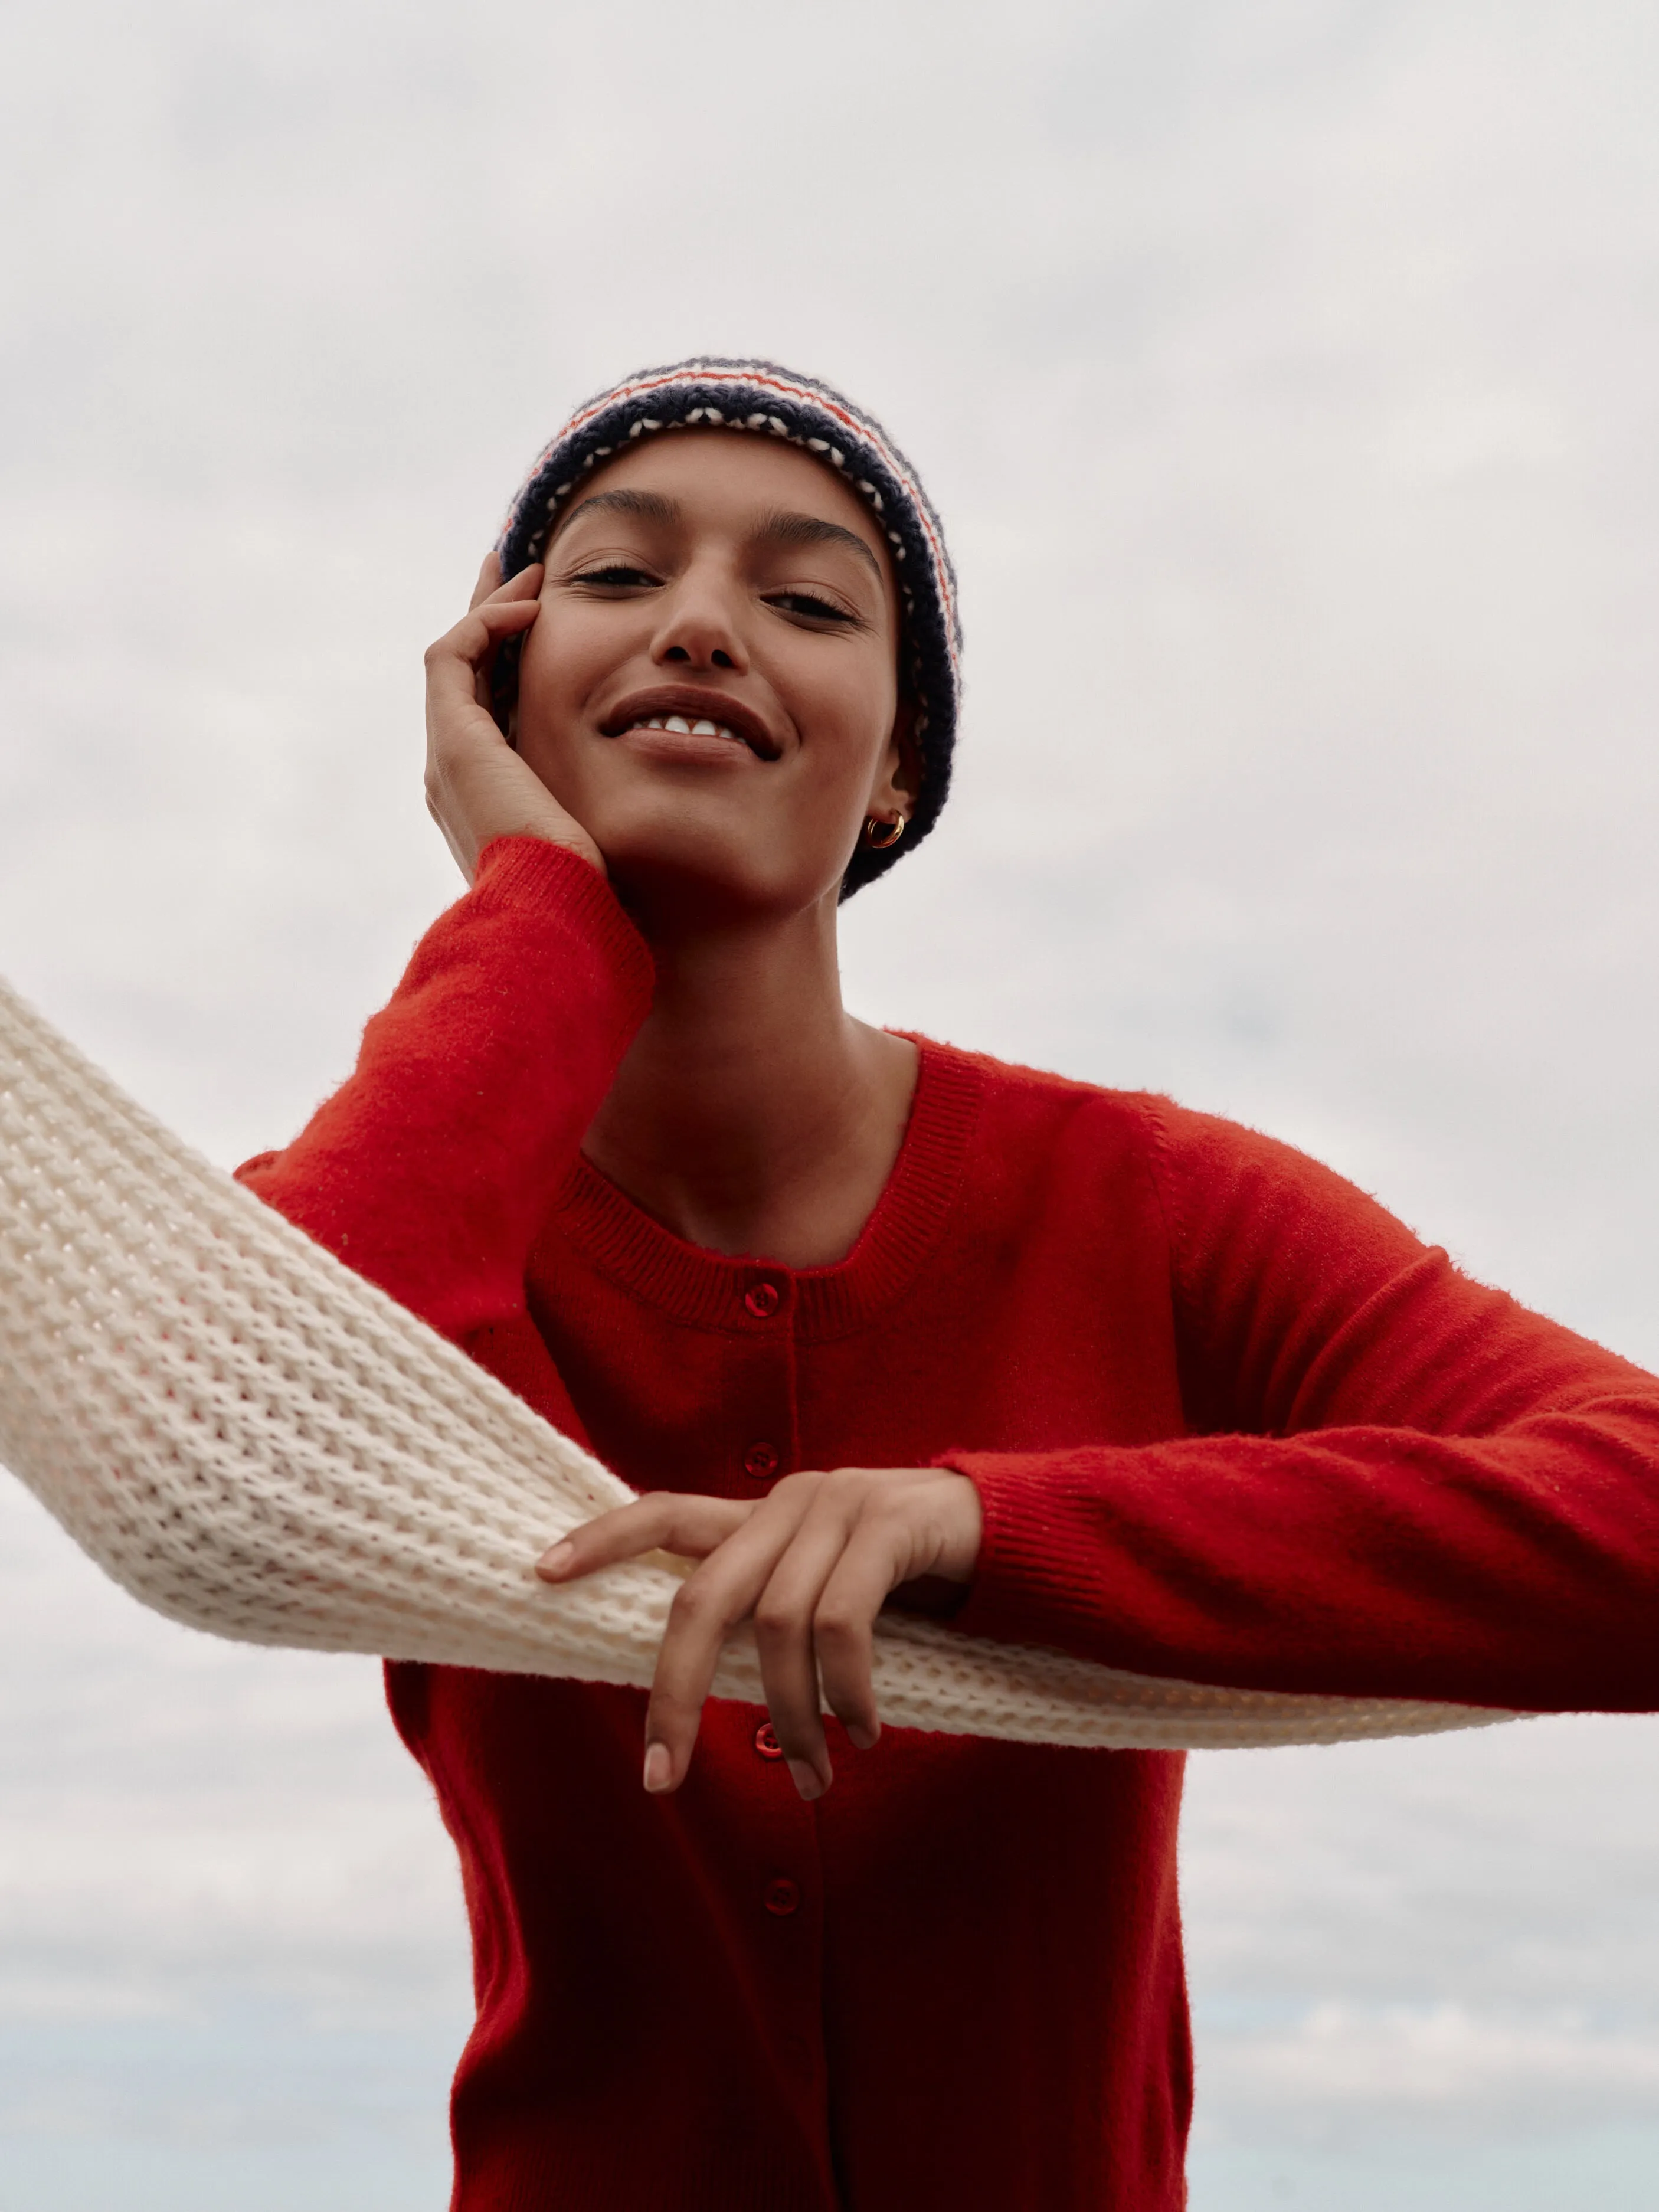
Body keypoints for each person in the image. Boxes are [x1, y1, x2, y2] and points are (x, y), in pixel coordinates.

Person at [235, 359, 1659, 2211]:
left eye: (809, 601)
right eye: (609, 578)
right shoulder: (419, 1201)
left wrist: (985, 1528)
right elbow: (234, 1442)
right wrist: (532, 896)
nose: (698, 627)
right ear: (498, 696)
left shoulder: (1140, 1202)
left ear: (901, 759)